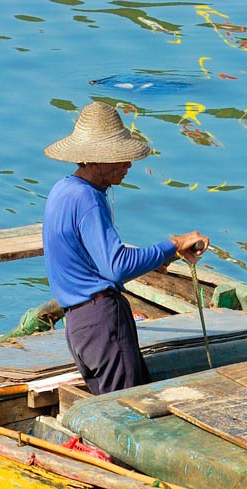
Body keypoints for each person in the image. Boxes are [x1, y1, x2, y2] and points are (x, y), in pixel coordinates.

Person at [42, 101, 209, 394]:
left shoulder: (62, 191)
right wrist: (174, 244)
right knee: (126, 410)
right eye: (118, 158)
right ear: (93, 161)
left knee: (107, 405)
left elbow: (84, 258)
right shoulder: (88, 200)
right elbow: (117, 266)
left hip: (79, 327)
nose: (128, 165)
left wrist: (157, 260)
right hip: (101, 322)